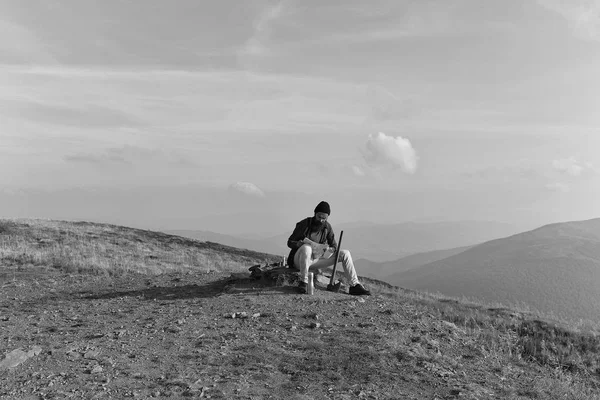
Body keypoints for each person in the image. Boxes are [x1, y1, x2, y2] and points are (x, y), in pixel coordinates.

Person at [286, 201, 371, 295]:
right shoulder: (304, 224)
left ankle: (354, 285)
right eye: (319, 217)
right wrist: (299, 244)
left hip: (316, 260)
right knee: (307, 248)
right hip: (300, 260)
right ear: (315, 214)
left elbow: (334, 245)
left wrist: (331, 249)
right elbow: (290, 242)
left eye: (324, 218)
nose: (321, 220)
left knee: (345, 253)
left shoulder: (327, 227)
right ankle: (304, 283)